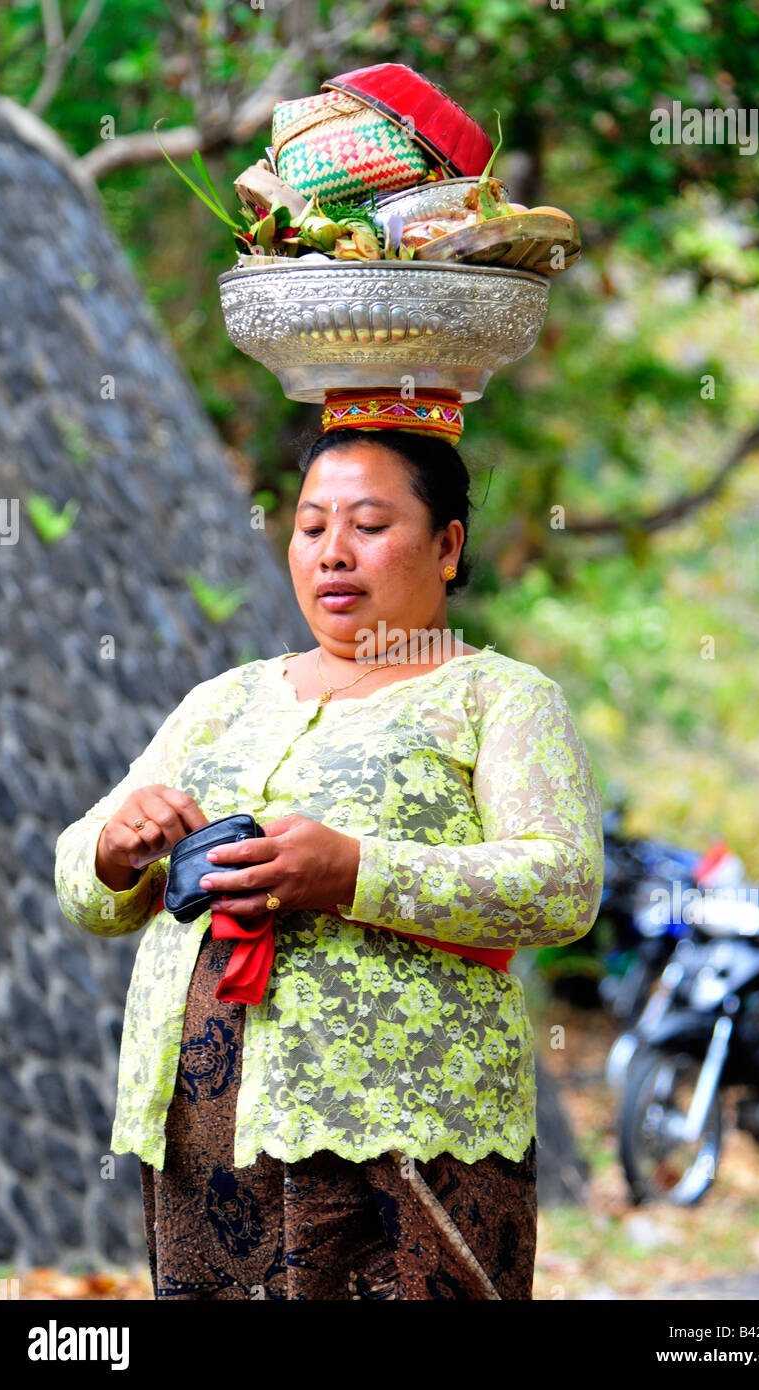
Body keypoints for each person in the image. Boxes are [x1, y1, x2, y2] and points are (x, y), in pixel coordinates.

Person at [54, 405, 604, 1301]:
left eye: (370, 525)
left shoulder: (497, 698)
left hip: (412, 1131)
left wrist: (354, 872)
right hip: (205, 1132)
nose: (332, 551)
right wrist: (115, 850)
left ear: (447, 545)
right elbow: (83, 880)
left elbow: (562, 886)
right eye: (311, 526)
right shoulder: (221, 703)